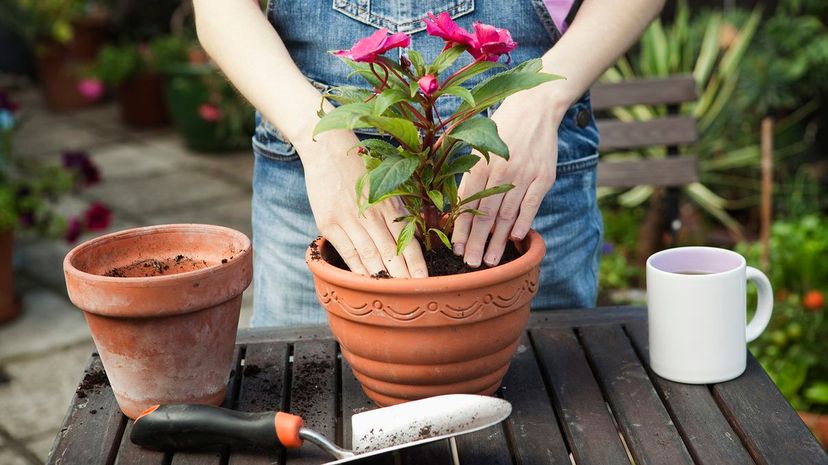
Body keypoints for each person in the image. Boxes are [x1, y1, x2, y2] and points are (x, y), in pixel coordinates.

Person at [193, 0, 665, 326]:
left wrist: (543, 96)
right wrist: (318, 137)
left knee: (543, 411)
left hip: (518, 180)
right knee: (318, 401)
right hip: (322, 180)